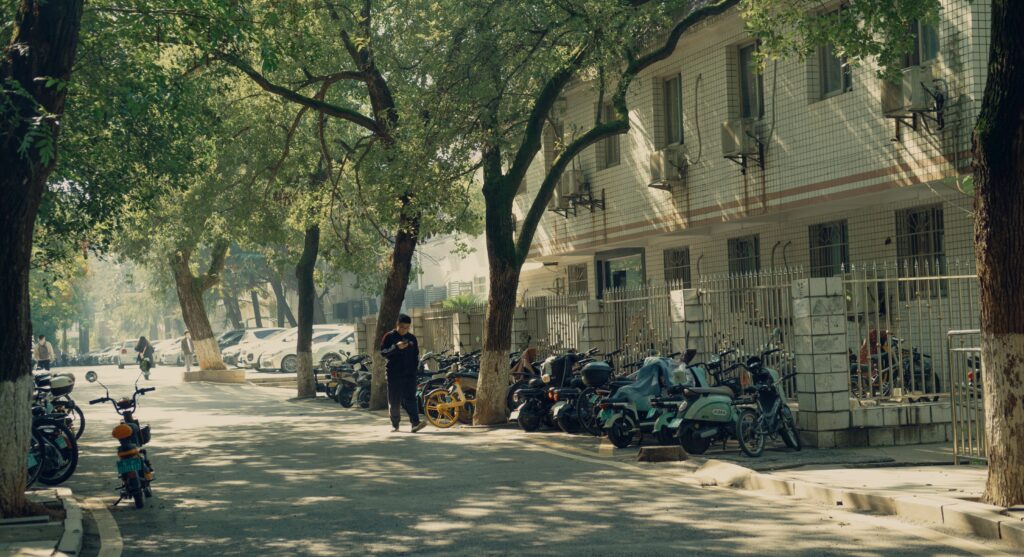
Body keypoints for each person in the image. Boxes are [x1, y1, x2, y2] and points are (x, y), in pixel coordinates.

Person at [380, 314, 425, 433]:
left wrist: (416, 370)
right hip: (394, 374)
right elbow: (383, 352)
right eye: (402, 327)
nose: (404, 330)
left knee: (411, 398)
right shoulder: (389, 336)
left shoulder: (412, 338)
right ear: (397, 325)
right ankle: (395, 424)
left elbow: (416, 355)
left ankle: (415, 423)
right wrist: (396, 347)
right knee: (394, 400)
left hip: (409, 374)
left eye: (407, 328)